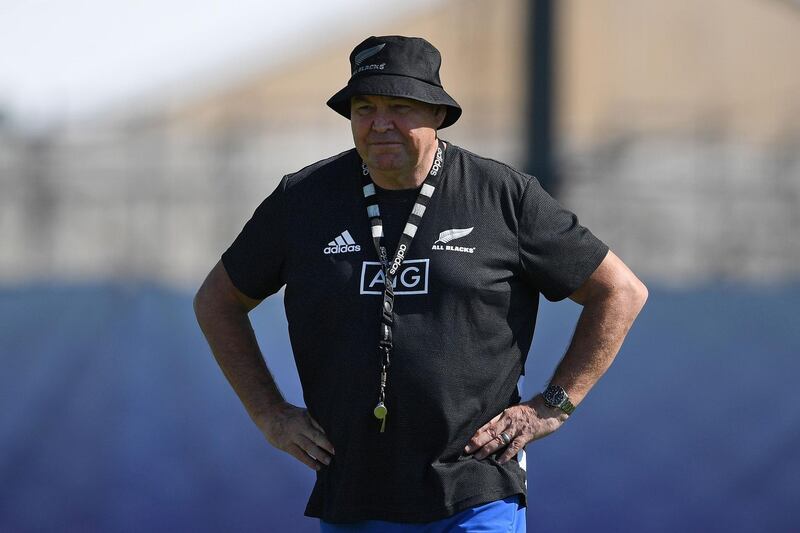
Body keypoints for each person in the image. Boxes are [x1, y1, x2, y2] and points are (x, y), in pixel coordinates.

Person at [194, 35, 647, 532]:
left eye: (399, 106)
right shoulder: (303, 199)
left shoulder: (503, 196)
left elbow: (620, 291)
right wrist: (269, 413)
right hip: (351, 490)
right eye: (364, 107)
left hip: (475, 489)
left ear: (438, 114)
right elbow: (218, 300)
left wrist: (553, 405)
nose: (379, 122)